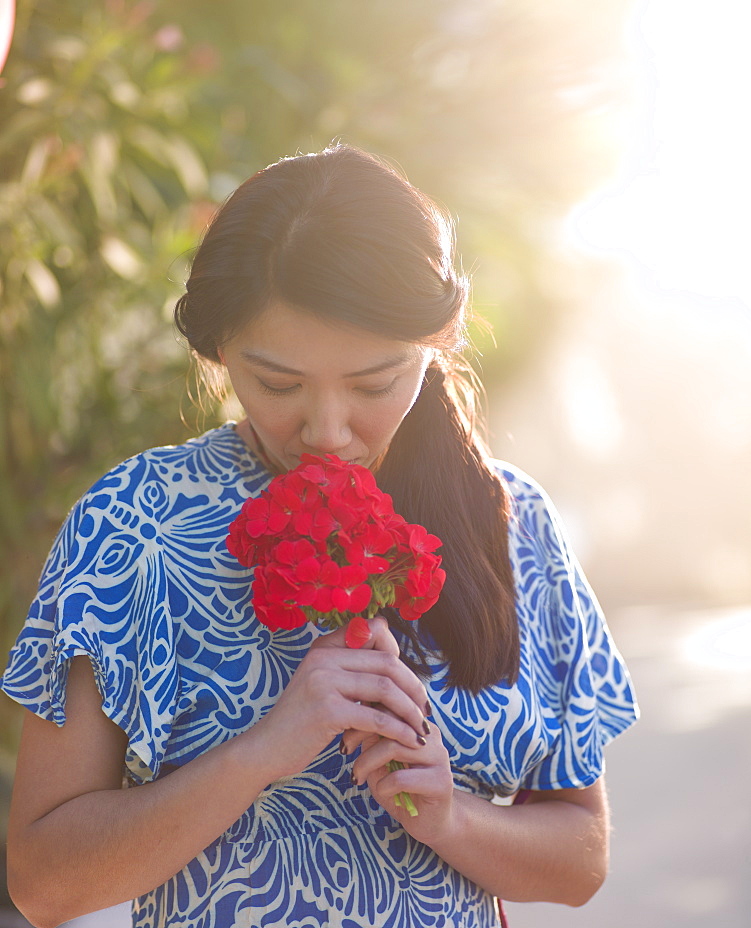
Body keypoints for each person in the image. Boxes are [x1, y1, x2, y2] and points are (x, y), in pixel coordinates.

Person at [1, 144, 638, 928]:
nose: (328, 432)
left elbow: (581, 861)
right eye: (278, 384)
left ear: (434, 346)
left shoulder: (514, 524)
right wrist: (261, 752)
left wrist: (450, 816)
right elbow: (42, 885)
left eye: (374, 383)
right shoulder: (135, 522)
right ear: (219, 351)